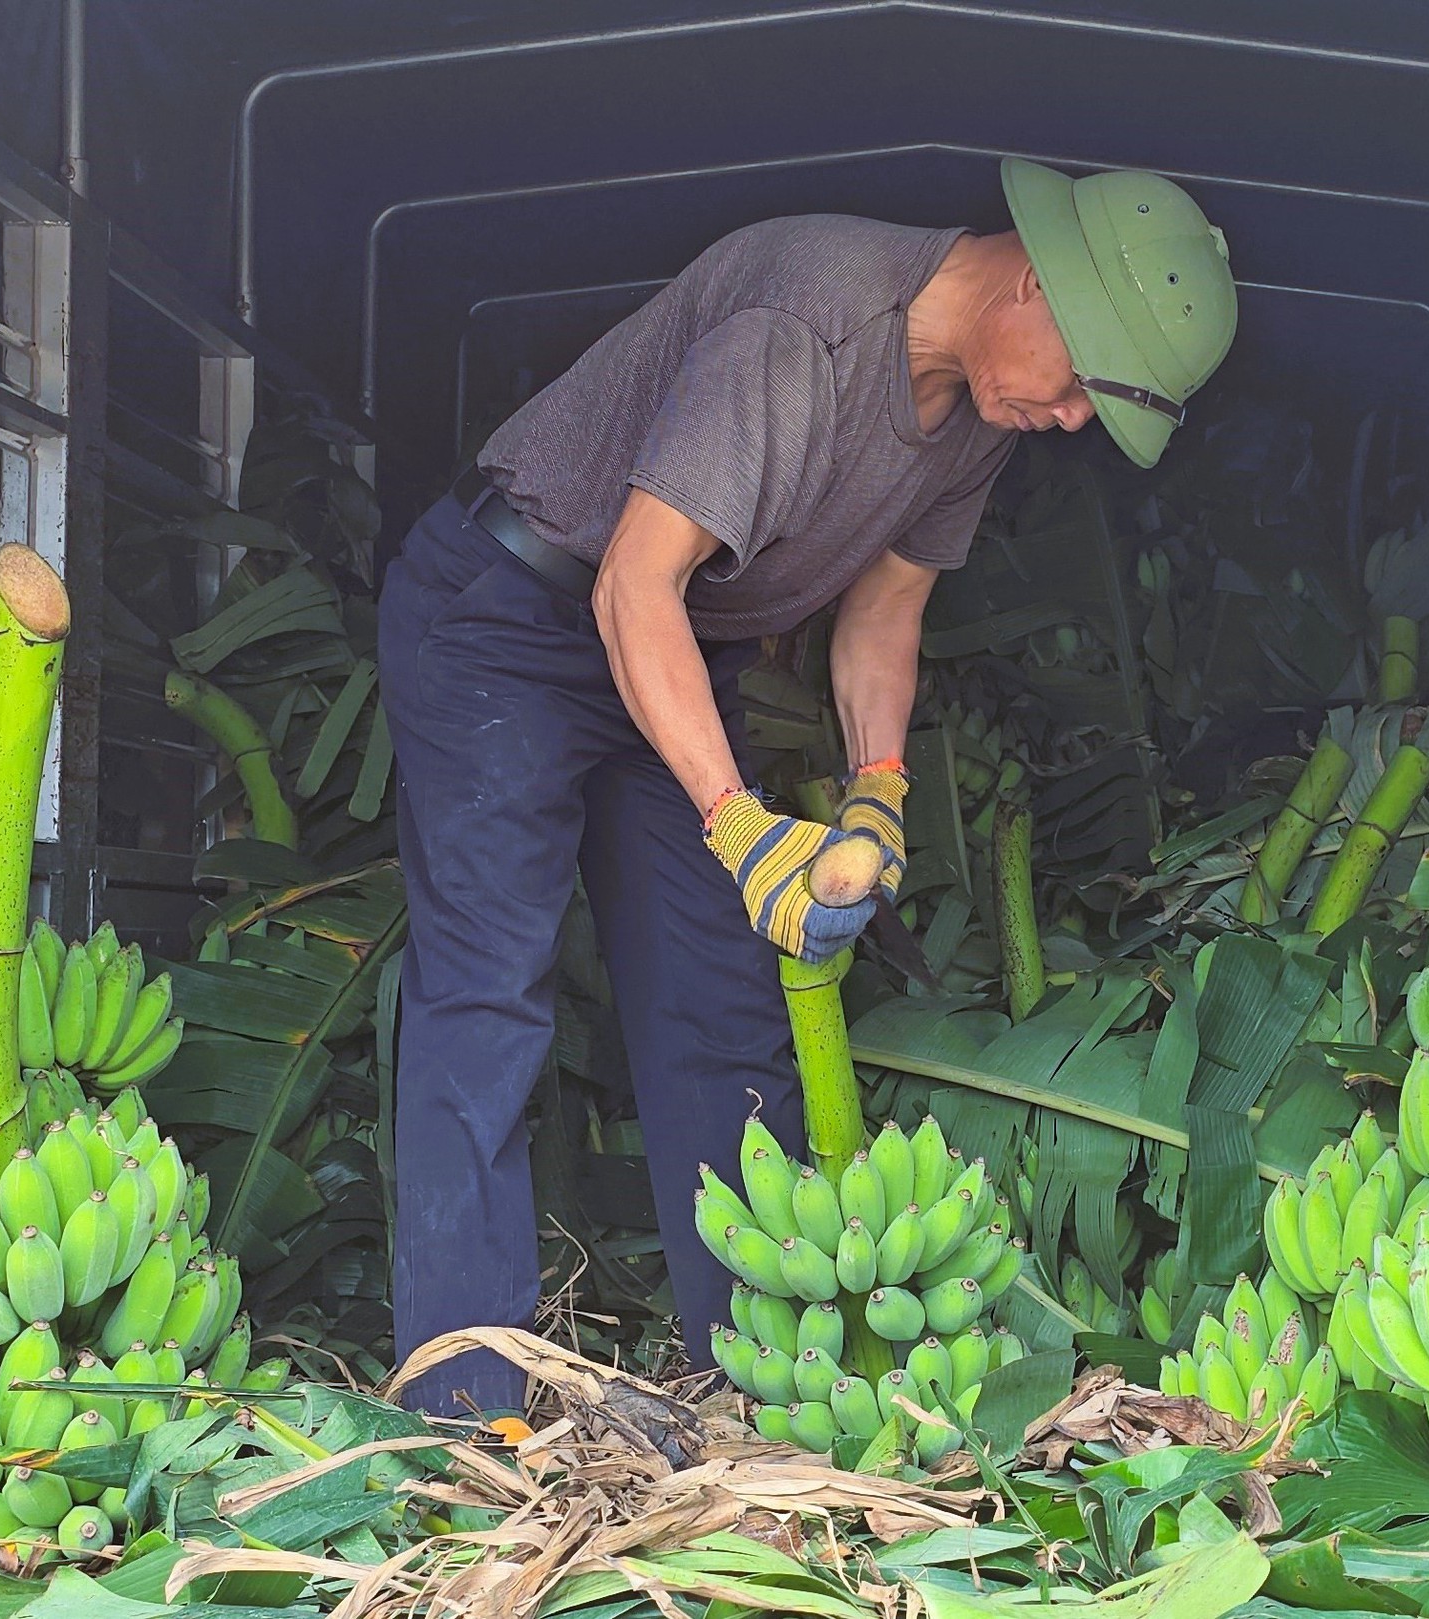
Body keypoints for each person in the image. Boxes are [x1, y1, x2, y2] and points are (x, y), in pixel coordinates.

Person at [378, 158, 1240, 1416]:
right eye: (1083, 386)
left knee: (723, 1000)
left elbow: (885, 609)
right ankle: (461, 1401)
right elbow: (634, 584)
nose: (1072, 422)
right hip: (515, 615)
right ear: (1031, 287)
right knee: (488, 986)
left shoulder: (974, 413)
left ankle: (756, 1381)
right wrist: (738, 823)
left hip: (671, 649)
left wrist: (878, 786)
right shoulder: (812, 325)